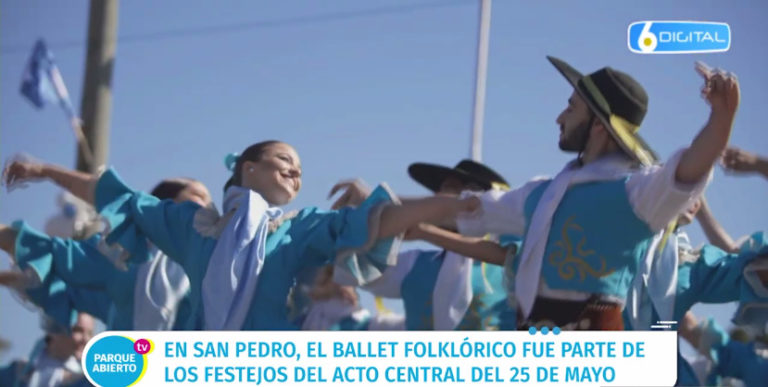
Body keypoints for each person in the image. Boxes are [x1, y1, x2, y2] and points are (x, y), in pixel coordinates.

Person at [3, 141, 476, 330]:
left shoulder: (295, 230)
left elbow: (377, 220)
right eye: (283, 158)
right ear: (249, 168)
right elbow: (116, 195)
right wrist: (44, 170)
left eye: (300, 167)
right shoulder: (193, 228)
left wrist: (452, 207)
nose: (296, 169)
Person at [455, 58, 739, 330]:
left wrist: (721, 118)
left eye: (571, 107)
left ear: (599, 123)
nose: (558, 117)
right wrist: (420, 221)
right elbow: (473, 213)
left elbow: (689, 169)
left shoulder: (634, 195)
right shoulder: (546, 198)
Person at [0, 164, 212, 330]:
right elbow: (48, 250)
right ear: (163, 205)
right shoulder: (120, 255)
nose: (208, 205)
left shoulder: (212, 259)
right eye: (199, 196)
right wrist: (43, 170)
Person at [354, 159, 518, 330]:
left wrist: (423, 231)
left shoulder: (512, 261)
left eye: (449, 189)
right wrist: (369, 219)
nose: (436, 200)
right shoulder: (413, 266)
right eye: (437, 193)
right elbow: (356, 270)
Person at [0, 313, 94, 387]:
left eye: (90, 333)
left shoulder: (87, 381)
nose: (86, 339)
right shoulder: (15, 373)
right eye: (78, 330)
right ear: (54, 330)